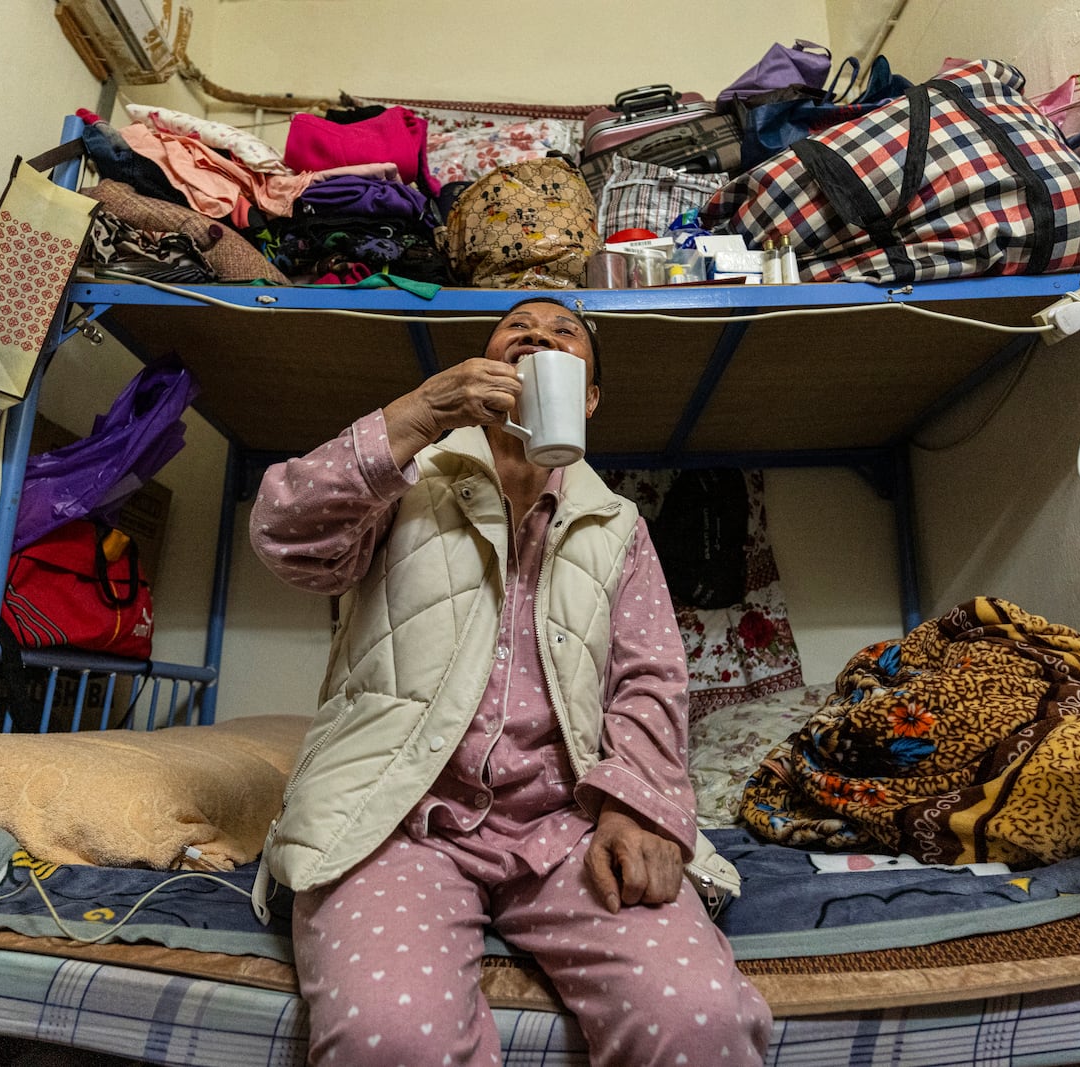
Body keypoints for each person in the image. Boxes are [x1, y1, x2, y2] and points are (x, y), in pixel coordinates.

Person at [250, 296, 772, 1066]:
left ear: (588, 398)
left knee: (698, 1017)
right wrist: (420, 412)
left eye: (566, 333)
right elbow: (283, 534)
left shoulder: (620, 528)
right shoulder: (402, 479)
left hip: (567, 828)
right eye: (517, 328)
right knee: (387, 1036)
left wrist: (638, 809)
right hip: (397, 815)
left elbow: (651, 681)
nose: (538, 333)